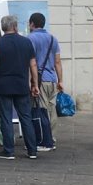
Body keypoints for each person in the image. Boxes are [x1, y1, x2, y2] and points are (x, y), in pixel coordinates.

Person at [0, 15, 39, 160]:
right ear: (15, 27)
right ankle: (32, 150)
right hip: (21, 85)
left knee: (6, 118)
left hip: (3, 86)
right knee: (26, 118)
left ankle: (8, 150)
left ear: (3, 28)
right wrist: (34, 84)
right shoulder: (26, 42)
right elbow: (33, 64)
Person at [27, 12, 62, 149]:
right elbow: (58, 62)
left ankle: (44, 140)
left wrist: (33, 83)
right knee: (51, 110)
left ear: (32, 24)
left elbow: (32, 62)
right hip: (52, 79)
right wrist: (60, 80)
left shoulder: (30, 39)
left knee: (40, 110)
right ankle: (51, 137)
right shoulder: (53, 39)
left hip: (40, 80)